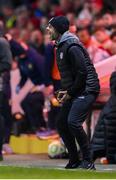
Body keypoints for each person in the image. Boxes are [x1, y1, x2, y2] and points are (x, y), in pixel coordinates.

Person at [46, 16, 100, 169]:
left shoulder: (71, 46)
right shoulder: (60, 46)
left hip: (87, 88)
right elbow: (72, 75)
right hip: (77, 89)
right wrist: (65, 90)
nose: (47, 29)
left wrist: (69, 92)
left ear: (57, 29)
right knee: (61, 124)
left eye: (50, 27)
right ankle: (75, 160)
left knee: (73, 122)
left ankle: (88, 161)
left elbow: (82, 73)